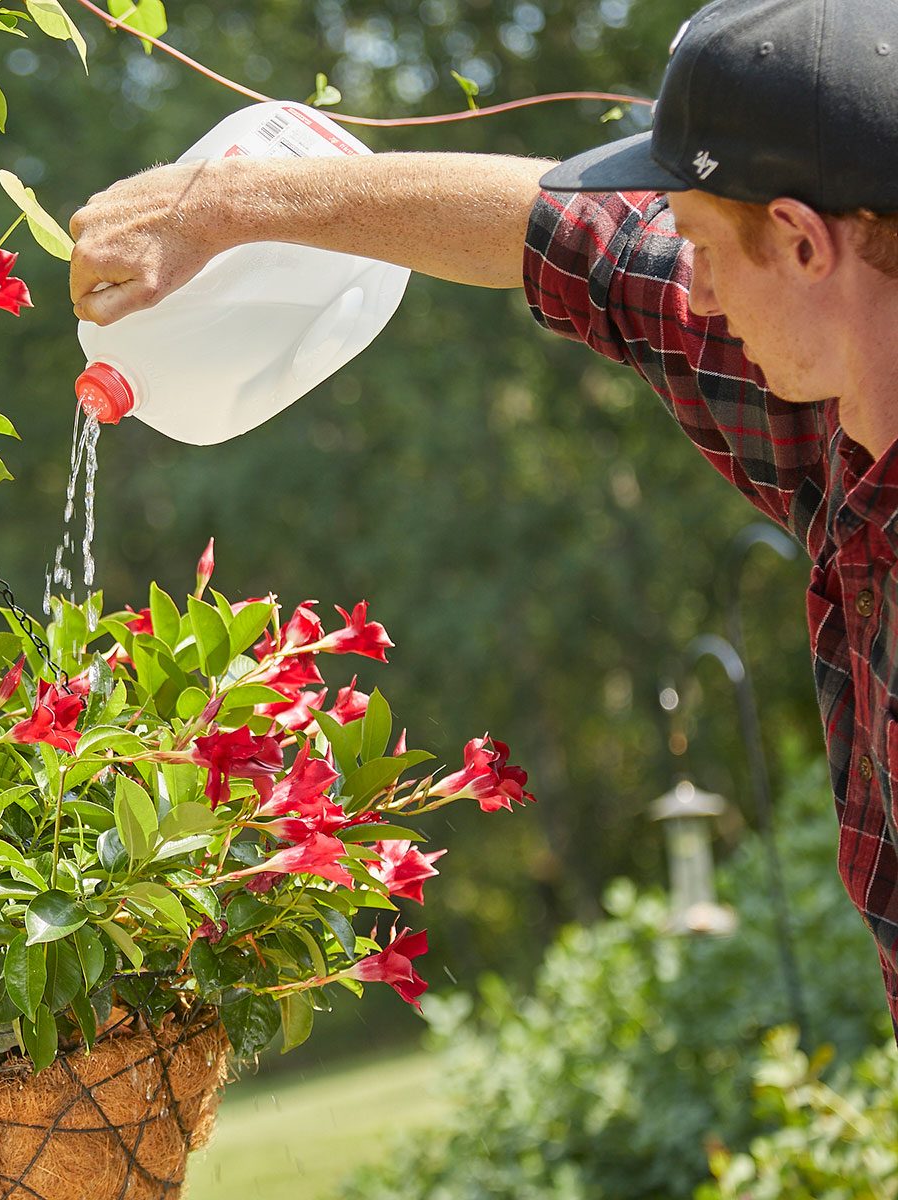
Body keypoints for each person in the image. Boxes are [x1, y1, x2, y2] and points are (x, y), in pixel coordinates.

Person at [69, 0, 898, 1033]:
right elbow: (558, 232)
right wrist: (231, 204)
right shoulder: (829, 410)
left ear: (803, 243)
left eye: (702, 246)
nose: (702, 292)